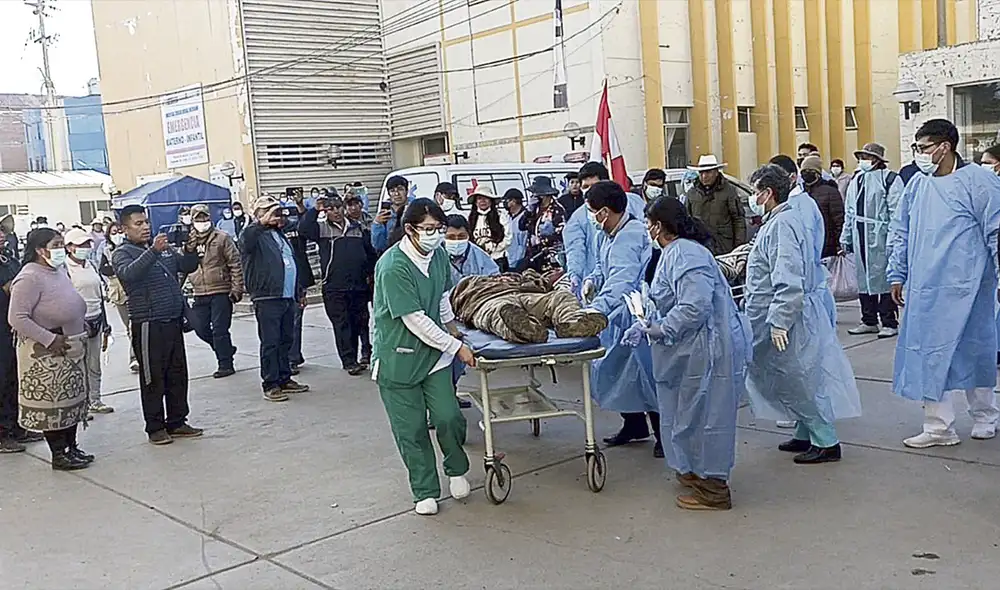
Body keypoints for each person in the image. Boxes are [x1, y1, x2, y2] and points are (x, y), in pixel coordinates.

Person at [622, 197, 749, 510]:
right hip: (690, 350)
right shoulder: (672, 253)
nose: (646, 229)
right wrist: (645, 321)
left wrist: (662, 328)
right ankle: (693, 471)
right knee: (685, 415)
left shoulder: (686, 254)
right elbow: (668, 298)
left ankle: (714, 489)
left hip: (707, 350)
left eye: (648, 223)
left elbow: (694, 306)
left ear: (659, 226)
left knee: (705, 417)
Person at [887, 119, 1000, 449]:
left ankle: (986, 416)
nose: (919, 154)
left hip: (970, 285)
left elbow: (996, 230)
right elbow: (901, 230)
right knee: (928, 354)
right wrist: (897, 273)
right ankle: (938, 427)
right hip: (926, 287)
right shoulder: (918, 185)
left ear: (944, 146)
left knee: (975, 349)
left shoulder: (979, 181)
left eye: (923, 147)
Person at [744, 164, 861, 464]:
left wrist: (780, 320)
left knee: (801, 378)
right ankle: (805, 431)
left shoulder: (783, 225)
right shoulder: (779, 220)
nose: (752, 198)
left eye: (755, 192)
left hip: (788, 317)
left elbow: (788, 277)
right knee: (790, 378)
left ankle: (826, 441)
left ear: (768, 193)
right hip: (779, 312)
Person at [371, 198, 475, 516]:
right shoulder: (393, 266)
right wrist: (455, 347)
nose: (435, 235)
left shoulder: (438, 255)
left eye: (438, 228)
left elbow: (441, 297)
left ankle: (456, 468)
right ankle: (425, 490)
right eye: (428, 229)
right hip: (399, 358)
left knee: (448, 416)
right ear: (410, 229)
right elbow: (414, 319)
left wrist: (454, 329)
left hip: (433, 357)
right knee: (412, 429)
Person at [580, 181, 660, 457]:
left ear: (604, 211)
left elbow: (622, 281)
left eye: (592, 211)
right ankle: (634, 424)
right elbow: (602, 267)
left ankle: (662, 434)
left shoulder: (631, 235)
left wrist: (597, 309)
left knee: (646, 375)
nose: (591, 217)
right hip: (617, 315)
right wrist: (592, 280)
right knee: (618, 372)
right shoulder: (607, 233)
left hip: (635, 312)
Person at [114, 206, 205, 445]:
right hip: (148, 323)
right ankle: (155, 427)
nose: (145, 227)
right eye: (138, 223)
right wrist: (153, 251)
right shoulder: (122, 253)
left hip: (172, 320)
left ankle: (177, 421)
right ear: (124, 229)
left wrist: (190, 249)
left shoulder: (164, 249)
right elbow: (129, 274)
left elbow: (186, 266)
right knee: (153, 377)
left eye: (146, 222)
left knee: (177, 374)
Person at [8, 228, 92, 469]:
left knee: (70, 401)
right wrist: (49, 339)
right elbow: (17, 317)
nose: (60, 250)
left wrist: (81, 322)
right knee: (53, 405)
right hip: (47, 351)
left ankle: (72, 447)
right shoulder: (29, 277)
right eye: (55, 245)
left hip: (71, 346)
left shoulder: (59, 270)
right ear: (40, 250)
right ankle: (59, 453)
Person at [240, 197, 311, 402]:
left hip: (286, 295)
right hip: (267, 296)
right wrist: (261, 222)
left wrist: (298, 292)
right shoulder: (252, 234)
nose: (275, 216)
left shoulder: (279, 234)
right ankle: (270, 383)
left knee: (286, 339)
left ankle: (284, 377)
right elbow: (245, 241)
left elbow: (290, 262)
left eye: (276, 211)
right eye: (268, 211)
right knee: (270, 341)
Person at [304, 195, 377, 376]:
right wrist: (315, 210)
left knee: (358, 322)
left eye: (338, 207)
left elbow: (370, 253)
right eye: (330, 208)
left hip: (358, 285)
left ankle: (359, 355)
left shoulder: (357, 228)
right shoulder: (322, 229)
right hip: (334, 287)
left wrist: (370, 275)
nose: (335, 211)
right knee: (341, 324)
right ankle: (348, 360)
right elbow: (304, 229)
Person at [840, 142, 903, 338]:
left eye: (866, 157)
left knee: (883, 278)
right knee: (863, 278)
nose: (863, 161)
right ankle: (868, 319)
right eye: (861, 158)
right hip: (860, 234)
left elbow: (896, 212)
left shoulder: (890, 179)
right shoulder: (857, 180)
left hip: (880, 234)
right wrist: (846, 236)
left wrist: (893, 240)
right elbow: (850, 211)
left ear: (876, 160)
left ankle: (889, 321)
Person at [452, 270, 607, 342]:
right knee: (500, 313)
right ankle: (527, 330)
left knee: (562, 296)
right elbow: (452, 301)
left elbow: (545, 285)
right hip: (489, 300)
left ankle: (573, 324)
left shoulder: (517, 276)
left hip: (526, 294)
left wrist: (533, 279)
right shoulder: (471, 282)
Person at [564, 162, 647, 296]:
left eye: (594, 186)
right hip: (602, 290)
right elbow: (575, 250)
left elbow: (622, 279)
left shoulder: (633, 213)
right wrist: (578, 277)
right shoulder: (581, 221)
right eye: (585, 187)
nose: (590, 192)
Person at [186, 204, 243, 379]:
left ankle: (225, 364)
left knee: (220, 329)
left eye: (204, 217)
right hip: (199, 291)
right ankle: (225, 349)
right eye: (198, 218)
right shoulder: (188, 241)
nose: (202, 221)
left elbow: (235, 263)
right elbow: (183, 266)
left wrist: (237, 287)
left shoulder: (222, 238)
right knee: (200, 327)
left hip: (220, 290)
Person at [63, 228, 114, 415]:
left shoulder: (91, 265)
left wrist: (105, 323)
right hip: (76, 324)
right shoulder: (64, 269)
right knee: (77, 366)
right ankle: (80, 404)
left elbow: (99, 295)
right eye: (80, 245)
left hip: (96, 319)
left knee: (94, 364)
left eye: (86, 244)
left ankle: (95, 400)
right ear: (70, 247)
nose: (84, 247)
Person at [0, 229, 42, 453]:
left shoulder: (8, 259)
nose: (1, 236)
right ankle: (2, 434)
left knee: (15, 379)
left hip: (12, 330)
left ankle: (17, 427)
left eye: (2, 231)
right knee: (2, 381)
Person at [685, 155, 746, 254]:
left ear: (716, 172)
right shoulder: (692, 193)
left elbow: (738, 219)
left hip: (724, 246)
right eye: (701, 173)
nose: (704, 176)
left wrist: (739, 247)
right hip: (700, 246)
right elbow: (687, 220)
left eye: (708, 172)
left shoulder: (729, 191)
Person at [800, 155, 844, 259]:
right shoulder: (800, 192)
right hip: (807, 244)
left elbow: (839, 220)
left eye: (810, 171)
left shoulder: (830, 192)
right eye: (803, 171)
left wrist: (839, 244)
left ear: (818, 173)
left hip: (827, 245)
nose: (806, 174)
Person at [519, 177, 567, 272]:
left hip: (549, 256)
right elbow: (521, 226)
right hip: (532, 253)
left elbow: (561, 233)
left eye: (536, 194)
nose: (533, 196)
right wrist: (528, 210)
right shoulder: (534, 209)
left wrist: (542, 239)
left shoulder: (557, 209)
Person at [445, 215, 499, 286]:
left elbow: (494, 277)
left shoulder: (480, 255)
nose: (456, 240)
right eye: (451, 237)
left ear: (468, 235)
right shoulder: (436, 255)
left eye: (461, 236)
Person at [467, 187, 511, 271]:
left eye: (486, 198)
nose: (483, 201)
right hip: (478, 260)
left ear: (491, 201)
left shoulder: (500, 216)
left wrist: (495, 249)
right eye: (479, 198)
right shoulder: (471, 218)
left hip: (498, 258)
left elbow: (508, 237)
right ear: (475, 202)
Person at [372, 175, 412, 253]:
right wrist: (377, 224)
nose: (396, 194)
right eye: (392, 190)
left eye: (400, 189)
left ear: (407, 191)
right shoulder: (385, 213)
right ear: (389, 194)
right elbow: (379, 245)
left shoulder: (414, 209)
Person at [503, 189, 528, 270]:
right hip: (508, 259)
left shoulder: (525, 217)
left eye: (507, 200)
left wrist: (520, 259)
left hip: (520, 260)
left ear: (513, 201)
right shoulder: (507, 217)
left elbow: (523, 242)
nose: (504, 203)